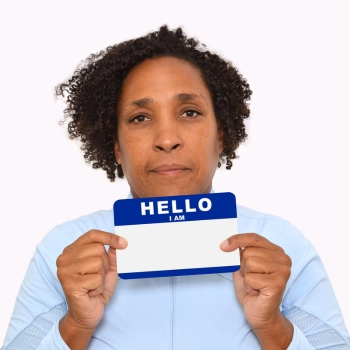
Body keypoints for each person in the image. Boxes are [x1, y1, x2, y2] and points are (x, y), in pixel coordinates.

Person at [1, 25, 349, 350]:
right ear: (117, 147)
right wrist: (75, 325)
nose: (167, 139)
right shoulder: (63, 252)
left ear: (221, 135)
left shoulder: (283, 245)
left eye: (190, 112)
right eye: (140, 118)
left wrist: (272, 326)